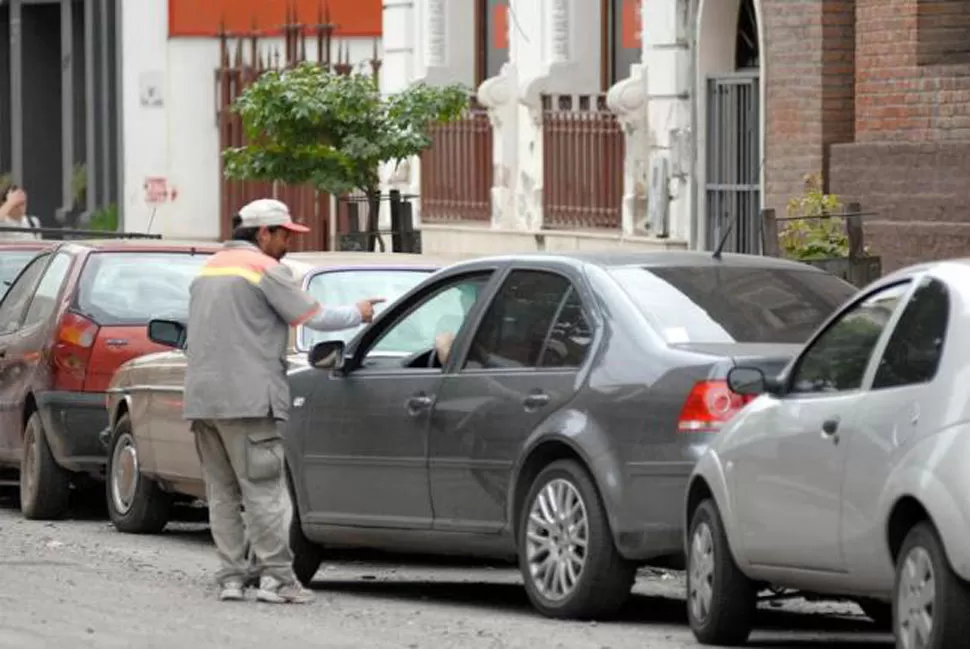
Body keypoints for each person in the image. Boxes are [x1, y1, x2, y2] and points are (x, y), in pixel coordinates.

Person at [183, 198, 384, 604]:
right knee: (265, 491)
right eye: (284, 234)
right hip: (250, 399)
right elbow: (313, 316)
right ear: (263, 234)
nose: (287, 243)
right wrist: (359, 313)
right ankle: (277, 579)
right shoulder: (265, 269)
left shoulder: (209, 269)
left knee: (222, 493)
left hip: (203, 401)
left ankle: (231, 578)